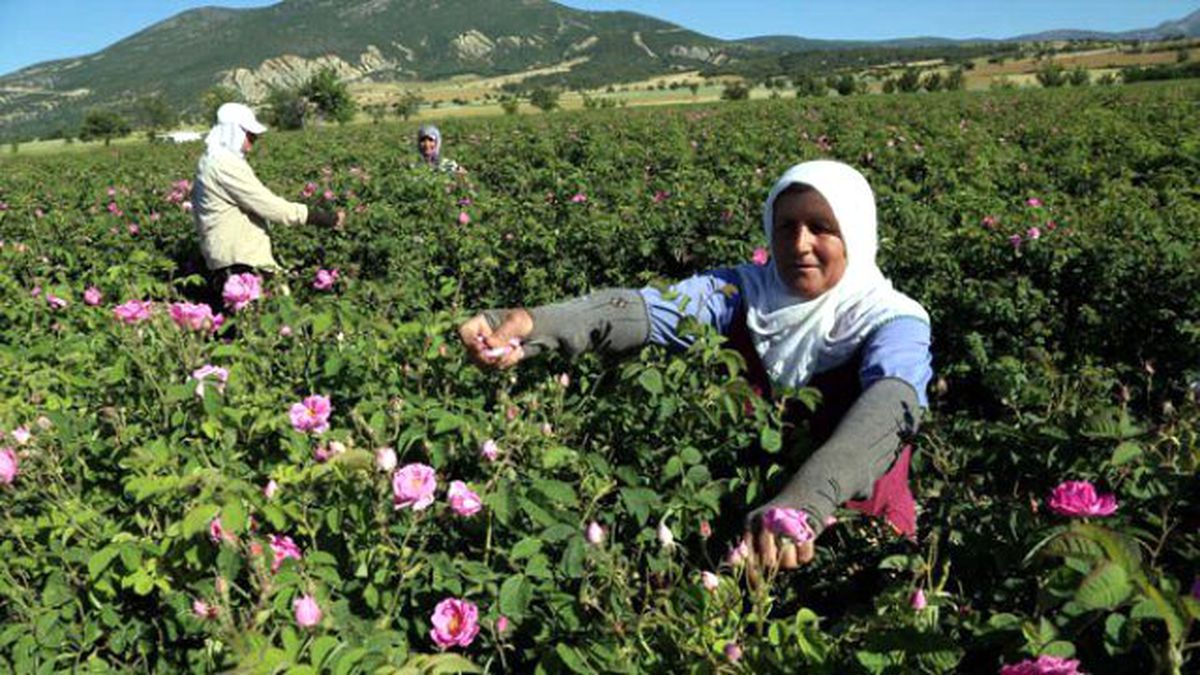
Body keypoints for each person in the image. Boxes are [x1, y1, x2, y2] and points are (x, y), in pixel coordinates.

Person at [458, 160, 932, 580]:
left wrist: (803, 504)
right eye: (786, 226)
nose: (800, 243)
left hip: (861, 541)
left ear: (856, 231)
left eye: (821, 227)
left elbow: (891, 406)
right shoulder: (742, 291)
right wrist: (531, 323)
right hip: (745, 538)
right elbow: (642, 312)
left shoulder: (893, 320)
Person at [191, 102, 344, 309]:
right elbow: (272, 208)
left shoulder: (213, 160)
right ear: (234, 131)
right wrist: (326, 218)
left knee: (269, 321)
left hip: (232, 256)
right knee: (273, 319)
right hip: (240, 261)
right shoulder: (224, 164)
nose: (254, 140)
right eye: (250, 134)